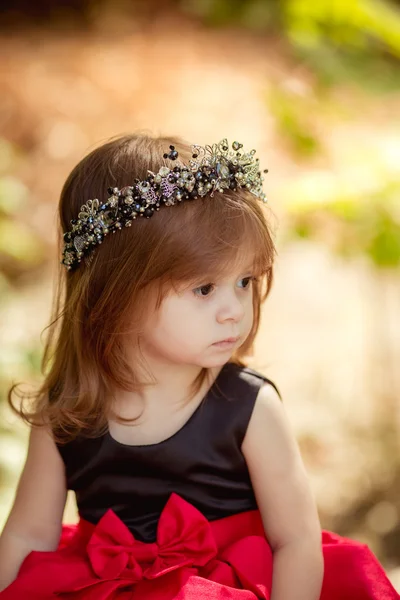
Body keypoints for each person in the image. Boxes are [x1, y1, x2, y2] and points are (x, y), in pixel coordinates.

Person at [0, 134, 397, 600]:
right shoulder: (67, 414)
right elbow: (28, 536)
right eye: (204, 289)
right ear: (117, 293)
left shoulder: (249, 406)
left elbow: (295, 539)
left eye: (245, 281)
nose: (234, 309)